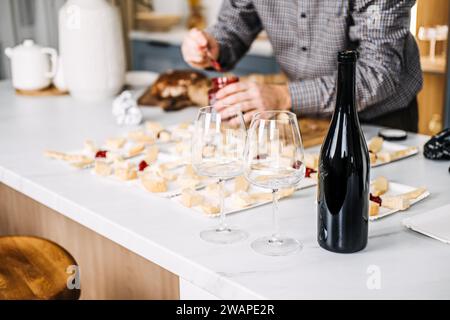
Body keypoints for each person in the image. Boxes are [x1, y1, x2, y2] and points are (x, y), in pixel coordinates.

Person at [181, 0, 423, 132]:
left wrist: (284, 96)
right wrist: (212, 45)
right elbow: (232, 27)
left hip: (376, 121)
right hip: (305, 117)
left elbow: (379, 73)